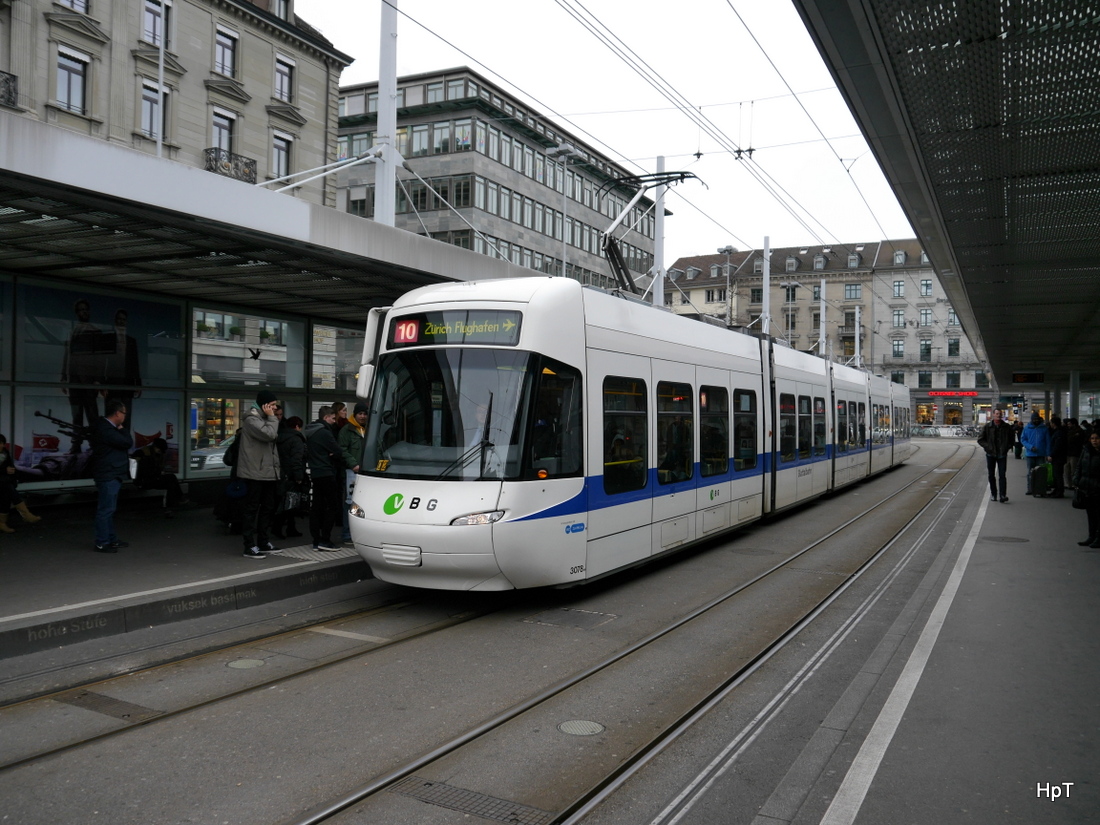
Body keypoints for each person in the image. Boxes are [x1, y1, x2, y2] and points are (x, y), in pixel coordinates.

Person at [236, 390, 282, 559]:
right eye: (272, 405)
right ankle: (249, 545)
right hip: (254, 473)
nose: (275, 408)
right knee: (252, 508)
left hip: (268, 472)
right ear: (264, 405)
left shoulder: (264, 419)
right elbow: (269, 435)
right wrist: (272, 418)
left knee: (268, 508)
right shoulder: (251, 419)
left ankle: (264, 541)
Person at [91, 398, 132, 553]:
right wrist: (122, 430)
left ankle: (111, 539)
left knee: (109, 509)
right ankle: (102, 542)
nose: (124, 416)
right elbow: (127, 442)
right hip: (108, 473)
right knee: (105, 510)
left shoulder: (104, 428)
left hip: (111, 473)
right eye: (124, 413)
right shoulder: (106, 430)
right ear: (117, 413)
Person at [61, 298, 101, 452]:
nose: (84, 312)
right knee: (76, 413)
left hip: (88, 378)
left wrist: (98, 379)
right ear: (77, 313)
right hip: (74, 378)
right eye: (81, 310)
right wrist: (64, 377)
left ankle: (94, 443)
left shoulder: (94, 331)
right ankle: (76, 443)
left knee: (91, 413)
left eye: (86, 309)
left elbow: (99, 357)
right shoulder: (72, 331)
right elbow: (67, 354)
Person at [305, 406, 343, 551]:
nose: (334, 421)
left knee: (316, 507)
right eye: (333, 418)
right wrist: (332, 454)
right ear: (326, 418)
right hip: (327, 472)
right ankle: (325, 539)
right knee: (332, 506)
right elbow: (338, 451)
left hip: (315, 473)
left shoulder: (310, 432)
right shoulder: (325, 432)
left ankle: (316, 540)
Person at [102, 308, 141, 433]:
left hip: (127, 384)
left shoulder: (131, 341)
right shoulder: (108, 339)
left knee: (126, 415)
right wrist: (103, 383)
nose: (121, 322)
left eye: (123, 320)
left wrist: (138, 384)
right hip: (112, 382)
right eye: (119, 319)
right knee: (111, 414)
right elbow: (103, 362)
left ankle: (124, 441)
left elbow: (135, 363)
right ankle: (111, 439)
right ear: (115, 321)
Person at [130, 437, 186, 515]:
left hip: (153, 479)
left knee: (171, 482)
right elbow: (137, 468)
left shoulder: (158, 454)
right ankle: (177, 500)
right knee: (171, 479)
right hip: (143, 480)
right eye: (159, 450)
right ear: (155, 447)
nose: (160, 452)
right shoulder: (142, 453)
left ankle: (172, 505)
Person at [337, 402, 368, 545]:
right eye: (360, 413)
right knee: (350, 504)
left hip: (368, 472)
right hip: (352, 472)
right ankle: (347, 534)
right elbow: (342, 449)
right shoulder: (346, 430)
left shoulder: (369, 429)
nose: (362, 416)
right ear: (355, 414)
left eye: (364, 414)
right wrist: (353, 464)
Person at [0, 434, 42, 532]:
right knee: (8, 489)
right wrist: (4, 470)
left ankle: (2, 523)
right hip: (3, 482)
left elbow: (11, 466)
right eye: (0, 443)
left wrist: (11, 473)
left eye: (2, 443)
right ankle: (26, 514)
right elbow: (4, 470)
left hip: (4, 482)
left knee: (6, 492)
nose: (2, 446)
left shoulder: (5, 453)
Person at [273, 415, 306, 539]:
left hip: (279, 473)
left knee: (282, 502)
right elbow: (296, 460)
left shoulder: (278, 437)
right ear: (297, 426)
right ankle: (282, 528)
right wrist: (299, 476)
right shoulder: (296, 439)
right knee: (291, 502)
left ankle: (287, 528)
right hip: (291, 475)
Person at [977, 408, 1013, 503]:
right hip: (991, 454)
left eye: (1000, 414)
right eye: (997, 414)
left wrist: (1007, 447)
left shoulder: (1006, 427)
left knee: (1002, 475)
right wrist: (988, 447)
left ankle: (1002, 495)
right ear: (993, 415)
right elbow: (980, 439)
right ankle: (994, 493)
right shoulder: (988, 426)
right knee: (991, 475)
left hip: (1002, 454)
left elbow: (1011, 439)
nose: (998, 415)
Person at [1073, 430, 1100, 548]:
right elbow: (1079, 465)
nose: (1094, 441)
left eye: (1097, 438)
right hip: (1086, 486)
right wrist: (1076, 478)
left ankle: (1098, 538)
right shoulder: (1086, 450)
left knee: (1099, 514)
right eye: (1092, 438)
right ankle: (1091, 536)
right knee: (1090, 513)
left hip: (1098, 487)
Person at [1020, 411, 1051, 496]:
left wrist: (1048, 454)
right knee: (1030, 472)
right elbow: (1023, 440)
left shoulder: (1044, 428)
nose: (1036, 420)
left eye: (1037, 419)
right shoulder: (1027, 428)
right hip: (1030, 454)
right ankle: (1030, 489)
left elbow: (1048, 442)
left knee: (1040, 473)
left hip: (1041, 454)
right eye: (1034, 419)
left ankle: (1040, 489)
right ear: (1032, 419)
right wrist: (1030, 447)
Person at [1048, 415, 1067, 498]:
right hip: (1059, 457)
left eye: (1051, 423)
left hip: (1058, 457)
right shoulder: (1059, 432)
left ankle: (1059, 491)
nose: (1050, 425)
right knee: (1056, 475)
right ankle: (1057, 490)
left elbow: (1057, 446)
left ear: (1054, 424)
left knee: (1058, 475)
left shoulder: (1059, 433)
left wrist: (1051, 455)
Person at [1065, 418, 1084, 492]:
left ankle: (1074, 484)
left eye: (1069, 424)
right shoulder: (1070, 431)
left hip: (1075, 453)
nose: (1068, 425)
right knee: (1067, 469)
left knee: (1073, 470)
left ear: (1074, 424)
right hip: (1069, 453)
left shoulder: (1079, 431)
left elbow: (1071, 440)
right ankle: (1069, 484)